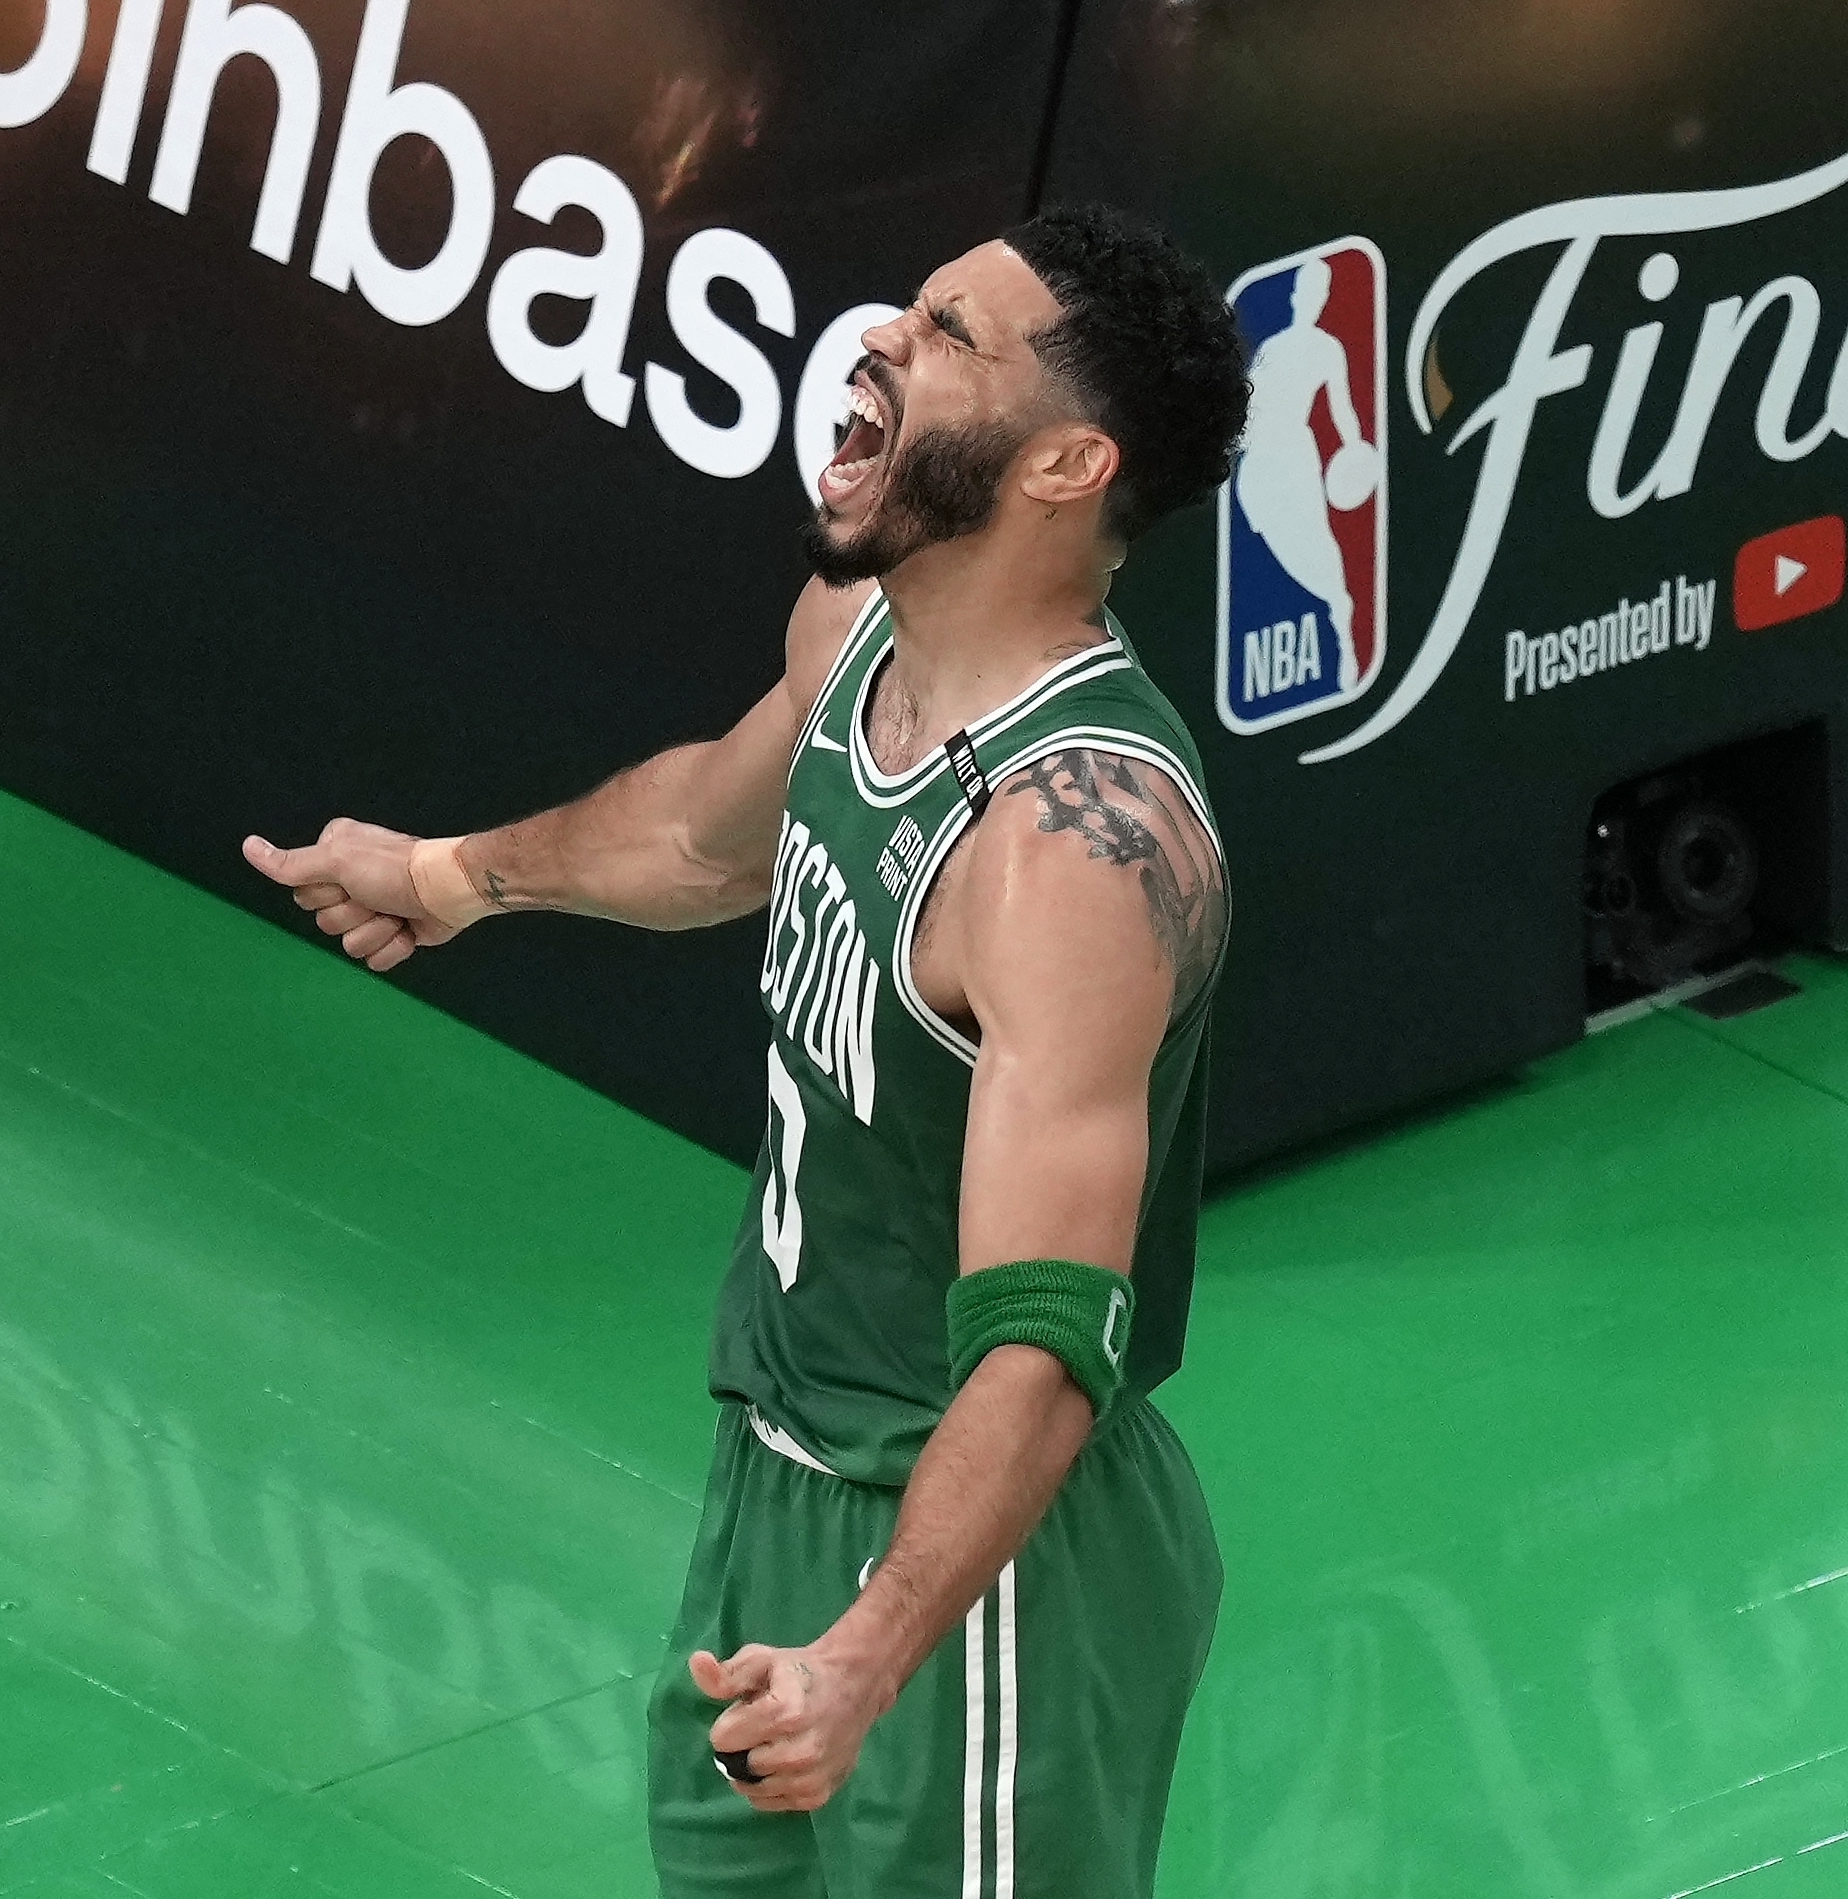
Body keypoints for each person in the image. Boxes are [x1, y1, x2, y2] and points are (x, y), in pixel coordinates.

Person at [242, 203, 1251, 1899]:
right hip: (780, 1475)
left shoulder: (1070, 845)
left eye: (948, 334)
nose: (880, 341)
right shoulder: (858, 636)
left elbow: (1044, 1342)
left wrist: (866, 1653)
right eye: (909, 307)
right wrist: (452, 876)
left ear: (1066, 463)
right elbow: (705, 835)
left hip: (983, 1567)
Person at [1235, 255, 1370, 689]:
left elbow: (1342, 408)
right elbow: (1248, 410)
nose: (1311, 299)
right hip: (1258, 465)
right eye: (1305, 290)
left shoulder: (1327, 348)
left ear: (1323, 298)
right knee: (1279, 548)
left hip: (1296, 456)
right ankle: (1336, 605)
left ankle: (1343, 624)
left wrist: (1354, 448)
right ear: (1295, 296)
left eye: (1319, 292)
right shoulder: (1272, 348)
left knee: (1318, 546)